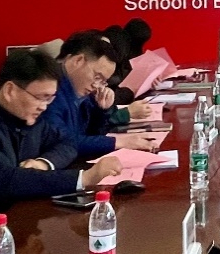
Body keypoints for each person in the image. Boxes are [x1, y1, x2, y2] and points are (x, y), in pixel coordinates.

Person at [0, 51, 123, 250]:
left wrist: (44, 163)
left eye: (50, 99)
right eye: (42, 98)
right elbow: (5, 181)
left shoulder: (22, 111)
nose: (44, 107)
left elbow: (67, 142)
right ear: (10, 90)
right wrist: (84, 178)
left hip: (18, 225)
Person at [41, 31, 153, 160]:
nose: (97, 85)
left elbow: (93, 133)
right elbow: (64, 142)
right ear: (78, 60)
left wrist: (102, 110)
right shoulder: (49, 88)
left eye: (103, 81)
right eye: (97, 77)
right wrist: (118, 142)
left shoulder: (82, 88)